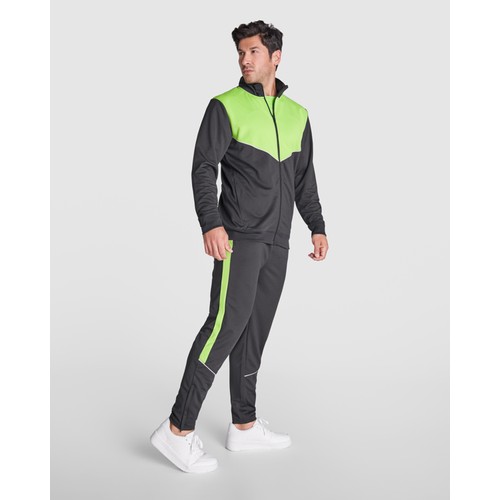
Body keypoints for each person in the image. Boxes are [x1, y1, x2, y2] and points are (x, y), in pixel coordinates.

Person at [150, 20, 329, 473]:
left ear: (276, 57)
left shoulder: (298, 114)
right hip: (240, 238)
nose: (244, 60)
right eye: (241, 53)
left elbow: (304, 179)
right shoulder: (225, 106)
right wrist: (211, 223)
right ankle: (176, 430)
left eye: (253, 52)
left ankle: (244, 425)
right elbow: (202, 167)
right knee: (224, 328)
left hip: (278, 240)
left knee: (254, 332)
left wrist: (317, 225)